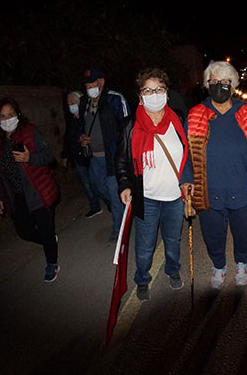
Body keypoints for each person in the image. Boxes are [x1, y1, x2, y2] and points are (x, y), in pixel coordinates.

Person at [180, 61, 247, 289]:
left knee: (243, 233)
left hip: (242, 187)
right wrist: (186, 179)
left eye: (225, 81)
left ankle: (241, 264)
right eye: (214, 81)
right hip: (209, 189)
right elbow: (186, 152)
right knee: (213, 234)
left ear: (233, 84)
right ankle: (219, 265)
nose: (220, 86)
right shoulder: (197, 113)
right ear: (207, 85)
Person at [116, 68, 190, 301]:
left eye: (159, 89)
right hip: (146, 197)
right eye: (148, 90)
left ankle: (173, 270)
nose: (154, 94)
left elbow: (188, 155)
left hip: (175, 197)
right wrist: (125, 185)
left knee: (172, 240)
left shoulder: (178, 118)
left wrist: (189, 181)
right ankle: (142, 278)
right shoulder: (130, 125)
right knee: (145, 246)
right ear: (140, 96)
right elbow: (121, 161)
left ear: (166, 93)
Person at [0, 97, 61, 282]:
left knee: (45, 228)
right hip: (17, 196)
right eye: (3, 116)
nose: (7, 119)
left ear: (18, 115)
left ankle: (52, 263)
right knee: (24, 231)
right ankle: (49, 240)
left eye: (11, 115)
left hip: (38, 191)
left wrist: (30, 158)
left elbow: (48, 156)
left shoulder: (30, 132)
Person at [78, 67, 130, 242]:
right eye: (86, 84)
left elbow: (127, 126)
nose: (89, 86)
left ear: (101, 81)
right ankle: (125, 205)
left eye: (92, 82)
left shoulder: (115, 99)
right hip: (94, 157)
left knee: (114, 194)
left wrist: (125, 154)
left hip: (113, 157)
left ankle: (119, 229)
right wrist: (82, 137)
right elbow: (81, 125)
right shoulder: (84, 102)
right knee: (100, 189)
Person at [61, 90, 102, 218]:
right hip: (78, 157)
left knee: (98, 182)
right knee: (86, 183)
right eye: (68, 104)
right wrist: (65, 155)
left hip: (91, 155)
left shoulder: (87, 117)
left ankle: (110, 202)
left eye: (73, 102)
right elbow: (67, 139)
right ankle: (95, 206)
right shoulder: (71, 120)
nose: (70, 105)